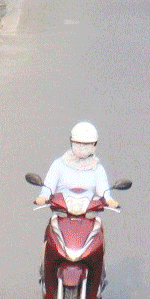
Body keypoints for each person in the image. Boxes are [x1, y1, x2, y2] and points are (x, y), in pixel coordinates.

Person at [36, 121, 118, 288]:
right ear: (71, 142)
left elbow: (104, 192)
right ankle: (45, 271)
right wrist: (43, 197)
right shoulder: (59, 164)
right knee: (50, 235)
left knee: (99, 235)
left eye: (87, 144)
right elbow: (49, 186)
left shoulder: (98, 169)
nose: (82, 147)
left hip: (88, 217)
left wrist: (109, 200)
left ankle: (98, 275)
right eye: (79, 143)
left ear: (94, 145)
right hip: (62, 215)